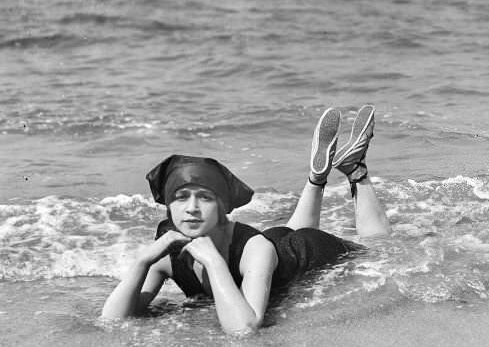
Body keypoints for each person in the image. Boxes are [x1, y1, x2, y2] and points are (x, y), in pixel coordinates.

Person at [101, 105, 390, 334]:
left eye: (204, 197)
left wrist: (213, 262)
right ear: (168, 205)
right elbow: (114, 319)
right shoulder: (167, 247)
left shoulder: (255, 250)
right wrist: (142, 262)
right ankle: (317, 179)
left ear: (223, 206)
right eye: (180, 197)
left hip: (308, 251)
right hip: (275, 243)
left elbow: (245, 327)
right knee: (285, 235)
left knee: (380, 250)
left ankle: (357, 172)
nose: (191, 208)